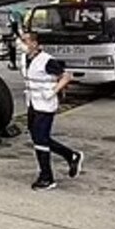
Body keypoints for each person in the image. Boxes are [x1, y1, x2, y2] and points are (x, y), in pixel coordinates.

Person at [21, 31, 83, 190]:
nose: (22, 44)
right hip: (33, 104)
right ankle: (71, 155)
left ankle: (46, 177)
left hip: (45, 105)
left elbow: (66, 76)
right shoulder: (26, 59)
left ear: (34, 43)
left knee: (41, 140)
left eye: (25, 41)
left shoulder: (47, 61)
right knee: (38, 138)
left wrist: (53, 91)